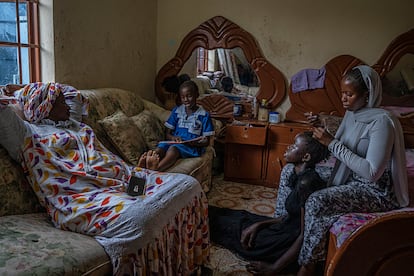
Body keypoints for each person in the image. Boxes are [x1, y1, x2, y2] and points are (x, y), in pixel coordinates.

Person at [0, 82, 205, 274]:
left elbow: (74, 94)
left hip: (124, 181)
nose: (67, 103)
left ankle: (185, 263)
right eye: (60, 100)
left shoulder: (74, 124)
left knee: (189, 185)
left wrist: (24, 87)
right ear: (46, 107)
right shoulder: (27, 134)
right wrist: (22, 95)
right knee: (140, 220)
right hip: (84, 200)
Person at [297, 65, 408, 275]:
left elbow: (371, 172)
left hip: (376, 190)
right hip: (350, 176)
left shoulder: (382, 122)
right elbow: (344, 146)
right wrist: (321, 125)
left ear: (367, 95)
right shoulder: (353, 114)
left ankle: (306, 266)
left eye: (349, 94)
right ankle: (287, 229)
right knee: (293, 173)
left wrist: (331, 142)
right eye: (342, 93)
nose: (343, 99)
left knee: (316, 201)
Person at [209, 131, 330, 275]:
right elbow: (292, 217)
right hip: (281, 227)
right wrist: (259, 224)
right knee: (234, 214)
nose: (288, 147)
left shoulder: (307, 183)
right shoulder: (297, 174)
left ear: (306, 157)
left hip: (283, 242)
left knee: (225, 225)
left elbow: (305, 235)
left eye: (294, 146)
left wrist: (274, 268)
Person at [140, 80, 215, 171]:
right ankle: (146, 164)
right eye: (183, 97)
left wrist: (194, 142)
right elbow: (167, 133)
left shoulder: (204, 115)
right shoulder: (177, 111)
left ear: (197, 95)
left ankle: (156, 169)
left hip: (192, 147)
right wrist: (173, 138)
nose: (186, 100)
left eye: (189, 96)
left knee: (173, 149)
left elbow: (207, 141)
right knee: (160, 149)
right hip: (175, 142)